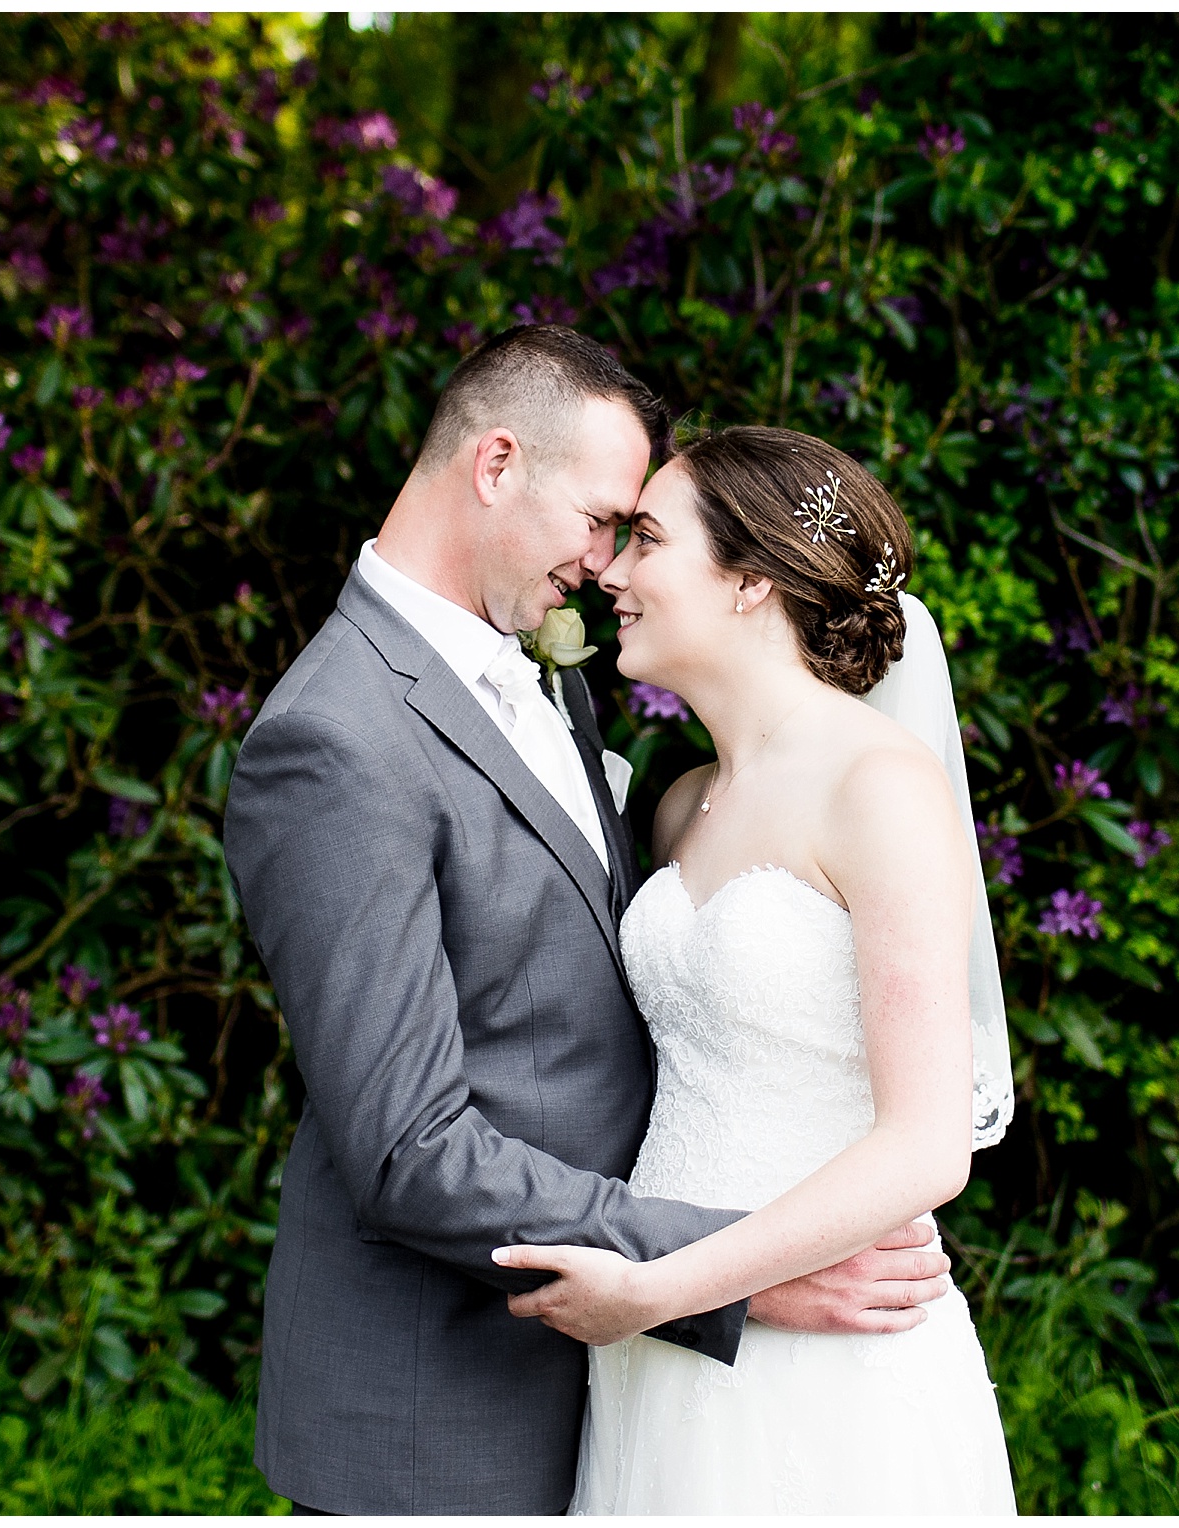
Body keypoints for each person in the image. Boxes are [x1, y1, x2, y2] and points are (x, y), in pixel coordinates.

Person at [220, 329, 962, 1516]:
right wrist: (721, 1279)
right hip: (445, 1401)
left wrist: (688, 1284)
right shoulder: (336, 741)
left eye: (640, 534)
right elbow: (411, 1148)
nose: (607, 564)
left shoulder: (558, 680)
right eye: (604, 518)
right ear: (498, 464)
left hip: (639, 1354)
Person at [494, 426, 1020, 1514]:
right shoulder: (683, 804)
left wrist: (656, 1289)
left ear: (748, 580)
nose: (612, 572)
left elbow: (927, 1144)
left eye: (646, 539)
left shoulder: (879, 786)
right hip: (661, 1352)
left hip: (828, 1357)